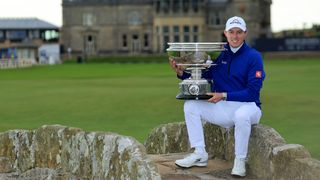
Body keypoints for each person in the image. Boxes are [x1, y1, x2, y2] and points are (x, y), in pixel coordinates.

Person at [169, 16, 265, 177]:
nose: (235, 36)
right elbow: (204, 75)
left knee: (241, 116)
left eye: (239, 32)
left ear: (245, 33)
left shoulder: (253, 56)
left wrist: (223, 95)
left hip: (248, 107)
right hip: (223, 107)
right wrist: (182, 72)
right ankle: (199, 153)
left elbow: (252, 92)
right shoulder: (219, 54)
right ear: (225, 33)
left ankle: (240, 160)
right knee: (190, 105)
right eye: (231, 32)